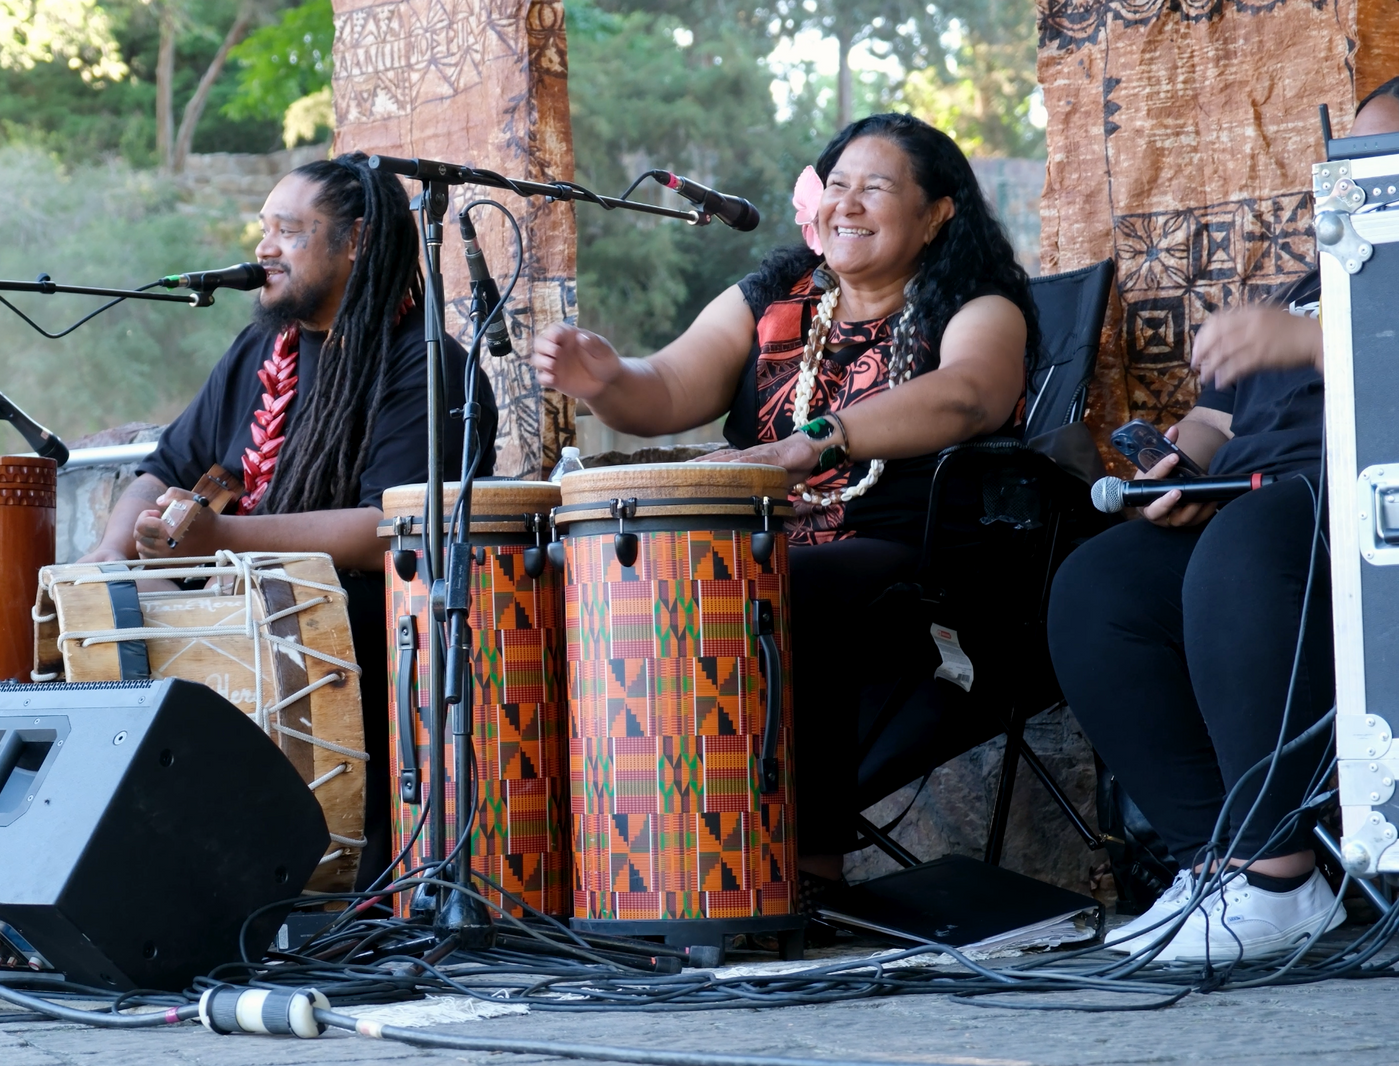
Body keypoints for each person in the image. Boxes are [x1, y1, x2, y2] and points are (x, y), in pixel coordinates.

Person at [530, 113, 1037, 890]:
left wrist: (817, 440)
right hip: (763, 545)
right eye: (837, 185)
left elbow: (970, 395)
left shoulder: (979, 306)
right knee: (601, 579)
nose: (849, 204)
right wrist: (605, 381)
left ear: (939, 213)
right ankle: (626, 852)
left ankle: (801, 871)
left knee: (777, 587)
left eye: (877, 187)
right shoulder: (774, 297)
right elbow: (665, 387)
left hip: (913, 563)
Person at [1046, 80, 1399, 962]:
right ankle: (1223, 868)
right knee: (1101, 588)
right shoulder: (1319, 268)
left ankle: (1273, 875)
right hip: (1250, 496)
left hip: (1354, 500)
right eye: (1348, 157)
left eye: (1384, 157)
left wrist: (1317, 340)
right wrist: (1186, 459)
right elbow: (1223, 417)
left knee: (1246, 548)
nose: (1356, 175)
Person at [79, 152, 498, 885]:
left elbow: (387, 527)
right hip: (243, 611)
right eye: (263, 229)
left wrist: (225, 540)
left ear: (357, 241)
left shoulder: (422, 364)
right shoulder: (257, 351)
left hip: (362, 631)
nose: (263, 249)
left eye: (288, 231)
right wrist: (112, 557)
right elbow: (166, 468)